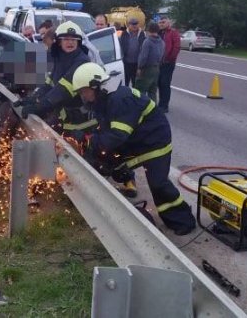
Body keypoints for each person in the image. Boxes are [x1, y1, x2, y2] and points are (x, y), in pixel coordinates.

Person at [72, 62, 197, 235]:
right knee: (107, 162)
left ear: (95, 86)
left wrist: (91, 140)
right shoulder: (105, 99)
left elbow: (116, 136)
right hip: (136, 139)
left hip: (154, 140)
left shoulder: (119, 99)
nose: (83, 96)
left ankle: (183, 220)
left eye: (84, 91)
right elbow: (107, 129)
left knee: (158, 183)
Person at [16, 21, 94, 138]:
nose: (70, 42)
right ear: (59, 41)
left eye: (74, 39)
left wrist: (39, 106)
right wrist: (32, 99)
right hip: (63, 113)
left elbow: (62, 90)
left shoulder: (82, 61)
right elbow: (49, 84)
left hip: (79, 120)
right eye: (66, 39)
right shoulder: (59, 57)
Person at [134, 22, 163, 99]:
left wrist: (139, 68)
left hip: (146, 69)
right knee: (152, 91)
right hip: (156, 68)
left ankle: (140, 108)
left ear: (148, 30)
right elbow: (162, 55)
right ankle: (152, 109)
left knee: (140, 90)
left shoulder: (147, 42)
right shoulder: (161, 42)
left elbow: (143, 57)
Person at [157, 18, 181, 113]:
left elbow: (176, 47)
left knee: (165, 83)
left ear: (169, 23)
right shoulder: (159, 33)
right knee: (159, 83)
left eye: (163, 22)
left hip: (168, 63)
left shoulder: (173, 33)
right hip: (158, 63)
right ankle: (161, 103)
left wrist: (170, 58)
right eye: (160, 22)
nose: (161, 24)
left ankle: (164, 105)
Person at [118, 18, 145, 87]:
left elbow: (144, 50)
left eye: (136, 24)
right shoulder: (124, 34)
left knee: (136, 84)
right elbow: (120, 47)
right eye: (132, 24)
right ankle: (126, 97)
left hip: (137, 64)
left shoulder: (142, 34)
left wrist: (141, 66)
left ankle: (134, 97)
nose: (134, 25)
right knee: (125, 83)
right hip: (126, 63)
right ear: (128, 25)